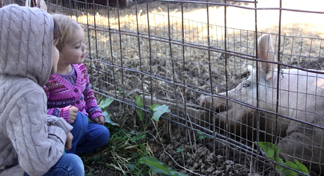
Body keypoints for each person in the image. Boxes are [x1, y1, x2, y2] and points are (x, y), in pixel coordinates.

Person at [0, 4, 84, 176]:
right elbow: (37, 165)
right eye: (53, 46)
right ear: (33, 50)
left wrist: (57, 123)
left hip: (10, 156)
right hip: (11, 167)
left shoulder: (7, 80)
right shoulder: (29, 92)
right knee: (71, 165)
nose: (57, 53)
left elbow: (26, 122)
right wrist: (59, 131)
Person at [44, 13, 110, 155]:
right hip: (55, 130)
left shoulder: (80, 69)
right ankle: (65, 157)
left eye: (83, 43)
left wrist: (94, 110)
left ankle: (63, 150)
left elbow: (88, 93)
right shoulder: (47, 79)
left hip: (80, 126)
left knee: (102, 134)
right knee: (80, 119)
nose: (84, 48)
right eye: (77, 46)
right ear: (58, 51)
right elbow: (39, 111)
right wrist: (60, 115)